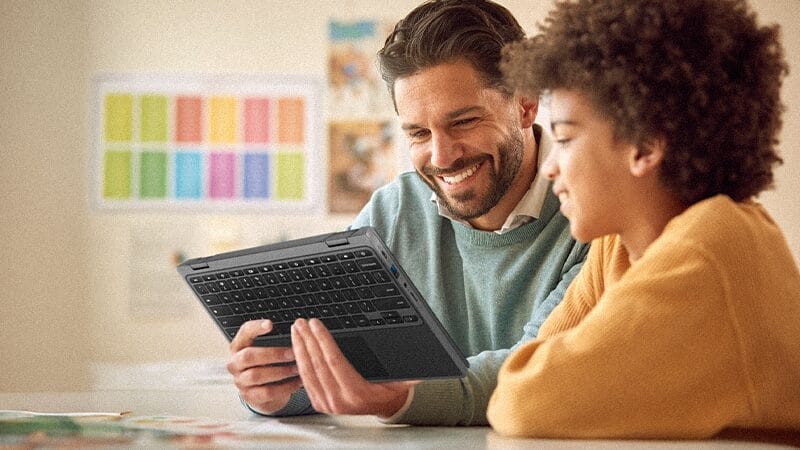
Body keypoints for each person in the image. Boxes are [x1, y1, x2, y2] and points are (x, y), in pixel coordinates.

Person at [226, 0, 589, 426]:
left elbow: (541, 369)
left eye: (464, 122)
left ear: (525, 104)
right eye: (418, 132)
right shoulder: (393, 211)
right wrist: (274, 388)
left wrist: (402, 397)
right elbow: (335, 361)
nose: (441, 156)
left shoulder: (593, 212)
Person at [488, 0, 800, 439]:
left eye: (564, 137)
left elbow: (523, 402)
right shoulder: (619, 245)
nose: (548, 166)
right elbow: (525, 374)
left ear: (645, 147)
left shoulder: (714, 244)